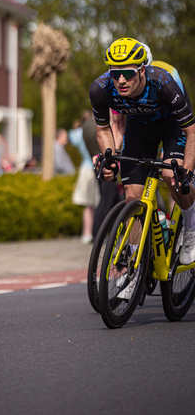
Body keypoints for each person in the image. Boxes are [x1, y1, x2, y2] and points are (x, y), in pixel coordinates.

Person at [89, 37, 195, 278]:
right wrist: (110, 159)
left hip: (173, 127)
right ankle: (134, 262)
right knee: (132, 197)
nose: (121, 80)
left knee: (172, 175)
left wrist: (186, 171)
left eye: (128, 73)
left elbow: (191, 131)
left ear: (142, 70)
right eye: (116, 74)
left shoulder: (163, 83)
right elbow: (104, 129)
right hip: (139, 129)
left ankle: (191, 225)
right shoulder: (100, 89)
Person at [82, 110, 122, 240]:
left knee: (112, 200)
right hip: (104, 164)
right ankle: (98, 234)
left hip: (100, 164)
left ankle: (106, 233)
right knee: (106, 200)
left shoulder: (87, 127)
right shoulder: (94, 127)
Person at [69, 112, 100, 243]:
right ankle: (88, 233)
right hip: (91, 167)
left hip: (85, 167)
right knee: (91, 203)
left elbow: (71, 136)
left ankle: (87, 232)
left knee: (89, 204)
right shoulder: (91, 131)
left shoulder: (77, 133)